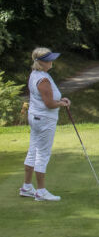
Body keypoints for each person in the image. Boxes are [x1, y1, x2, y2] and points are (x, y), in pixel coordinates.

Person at [20, 47, 71, 201]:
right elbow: (49, 104)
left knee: (33, 151)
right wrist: (62, 103)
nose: (52, 62)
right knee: (42, 153)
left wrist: (60, 101)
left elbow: (47, 100)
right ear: (42, 62)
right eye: (49, 60)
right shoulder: (43, 80)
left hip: (36, 118)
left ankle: (27, 187)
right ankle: (41, 192)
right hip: (44, 120)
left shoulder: (36, 75)